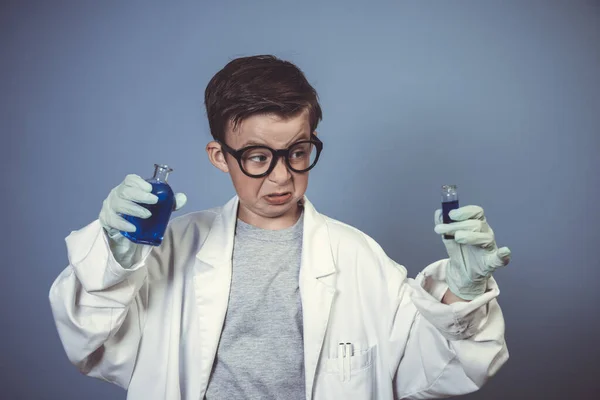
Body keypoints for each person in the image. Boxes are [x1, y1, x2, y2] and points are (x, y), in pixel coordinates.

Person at [49, 55, 512, 400]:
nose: (281, 175)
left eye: (297, 150)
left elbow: (433, 373)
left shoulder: (358, 256)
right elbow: (90, 347)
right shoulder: (172, 249)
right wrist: (114, 261)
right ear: (219, 156)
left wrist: (462, 294)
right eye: (256, 156)